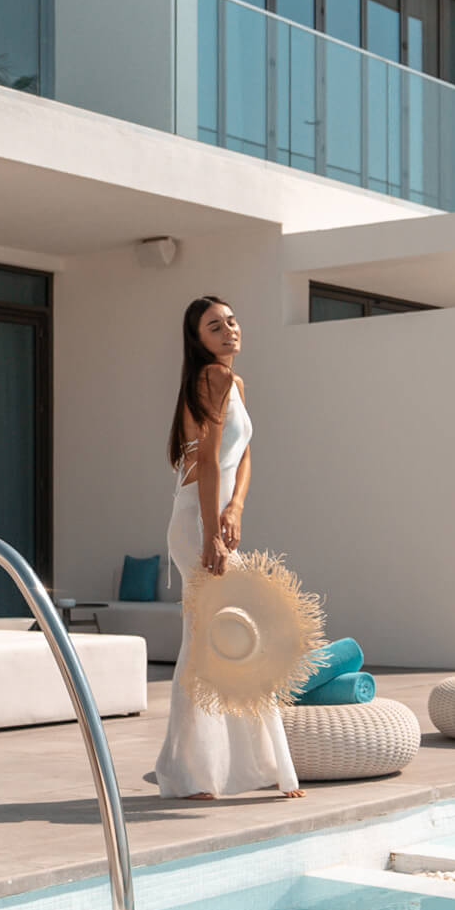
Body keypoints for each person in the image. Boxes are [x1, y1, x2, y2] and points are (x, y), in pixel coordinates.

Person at [154, 293, 302, 801]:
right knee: (208, 643)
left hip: (214, 515)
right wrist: (213, 532)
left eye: (232, 322)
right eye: (215, 326)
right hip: (197, 521)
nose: (229, 330)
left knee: (234, 640)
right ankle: (189, 772)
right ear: (198, 340)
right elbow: (208, 461)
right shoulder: (210, 378)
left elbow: (244, 456)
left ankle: (245, 767)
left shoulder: (233, 382)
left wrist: (235, 509)